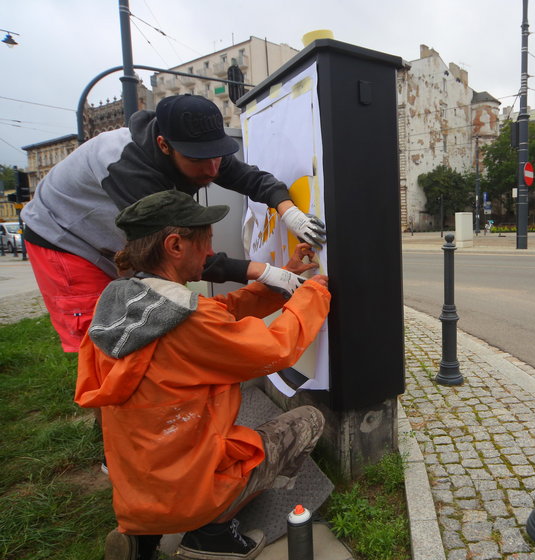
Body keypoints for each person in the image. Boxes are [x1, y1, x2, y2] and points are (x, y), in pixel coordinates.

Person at [74, 190, 331, 560]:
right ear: (175, 245)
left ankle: (145, 533)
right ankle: (211, 530)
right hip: (190, 486)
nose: (211, 254)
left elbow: (221, 311)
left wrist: (282, 280)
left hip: (137, 484)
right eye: (206, 242)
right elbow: (276, 349)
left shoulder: (120, 304)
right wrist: (313, 295)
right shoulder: (190, 322)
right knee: (307, 420)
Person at [21, 93, 326, 353]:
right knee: (100, 342)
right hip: (64, 238)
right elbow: (175, 257)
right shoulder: (128, 168)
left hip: (113, 238)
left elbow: (253, 179)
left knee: (142, 327)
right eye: (199, 160)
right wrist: (267, 272)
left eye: (217, 156)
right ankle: (113, 416)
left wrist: (289, 212)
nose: (212, 168)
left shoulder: (202, 149)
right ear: (164, 145)